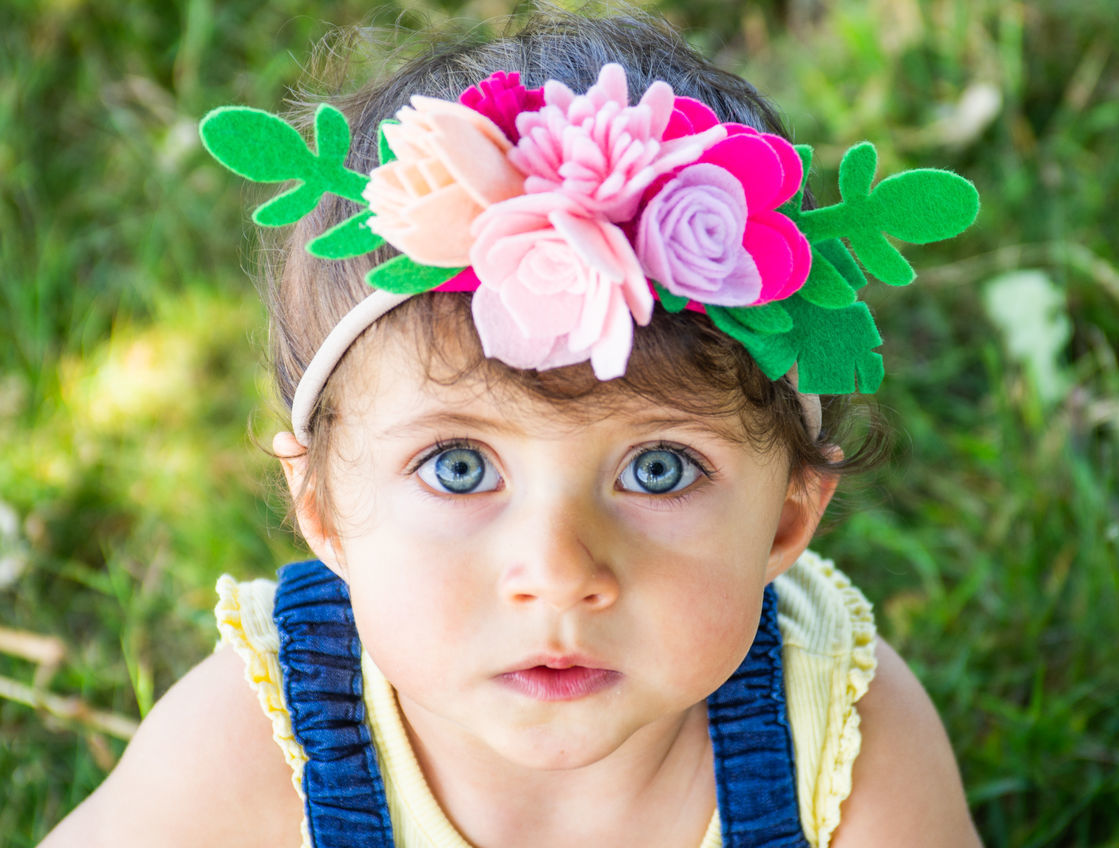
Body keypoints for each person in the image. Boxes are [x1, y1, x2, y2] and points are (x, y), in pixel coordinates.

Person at [40, 7, 982, 847]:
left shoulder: (843, 739)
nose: (558, 572)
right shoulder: (250, 752)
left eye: (658, 469)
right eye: (457, 466)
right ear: (324, 506)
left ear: (786, 518)